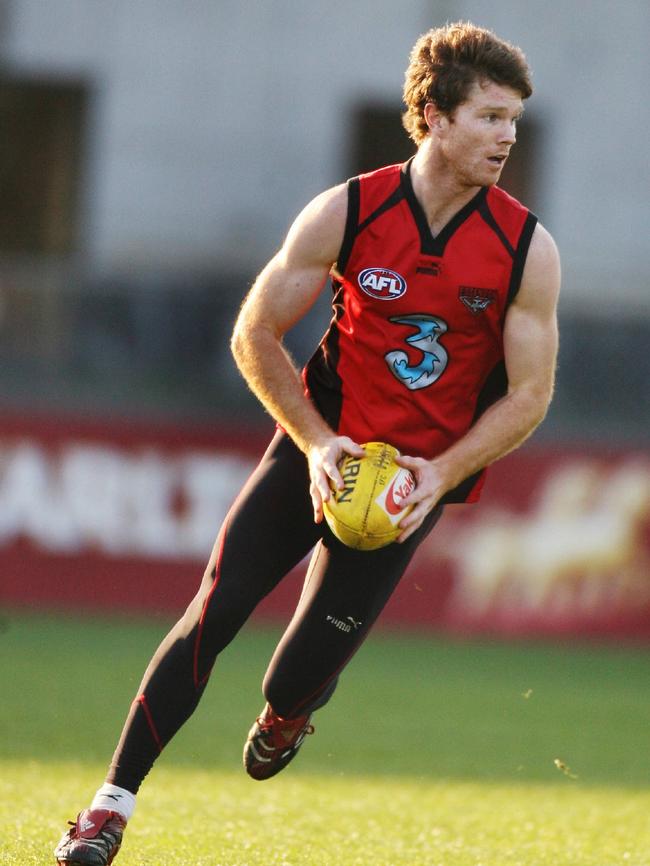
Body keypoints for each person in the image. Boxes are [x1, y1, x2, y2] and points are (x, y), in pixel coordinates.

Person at [55, 20, 560, 865]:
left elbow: (533, 395)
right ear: (434, 116)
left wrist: (436, 477)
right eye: (491, 117)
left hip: (410, 486)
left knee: (291, 676)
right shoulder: (351, 209)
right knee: (211, 613)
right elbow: (256, 332)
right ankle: (106, 811)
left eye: (515, 120)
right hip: (315, 455)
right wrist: (320, 444)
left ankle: (288, 715)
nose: (508, 136)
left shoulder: (525, 249)